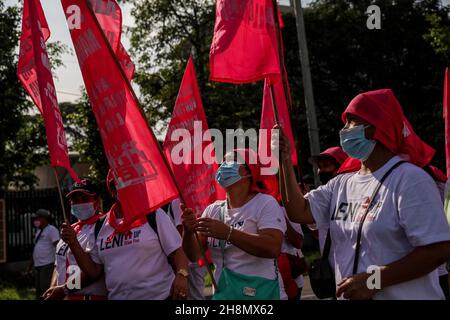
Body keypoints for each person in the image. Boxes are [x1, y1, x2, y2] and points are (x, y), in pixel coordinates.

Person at [275, 89, 450, 299]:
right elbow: (298, 211)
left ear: (377, 127)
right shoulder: (342, 183)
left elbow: (438, 249)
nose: (344, 130)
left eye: (352, 122)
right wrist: (284, 161)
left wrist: (373, 280)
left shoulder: (410, 179)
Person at [60, 170, 189, 300]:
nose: (124, 189)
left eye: (129, 184)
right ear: (112, 191)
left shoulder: (153, 215)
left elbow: (178, 250)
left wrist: (182, 274)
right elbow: (94, 271)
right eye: (117, 185)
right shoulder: (100, 226)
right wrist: (73, 243)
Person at [182, 148, 287, 300]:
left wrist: (229, 233)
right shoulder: (212, 210)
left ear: (249, 171)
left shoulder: (265, 203)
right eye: (224, 161)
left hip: (263, 295)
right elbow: (194, 255)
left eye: (232, 161)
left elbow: (273, 247)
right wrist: (188, 231)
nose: (224, 165)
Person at [42, 179, 107, 300]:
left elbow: (95, 271)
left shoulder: (104, 227)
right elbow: (59, 265)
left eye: (85, 199)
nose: (80, 203)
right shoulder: (70, 229)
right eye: (75, 200)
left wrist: (64, 289)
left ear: (97, 201)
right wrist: (53, 290)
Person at [165, 198, 206, 300]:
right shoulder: (177, 201)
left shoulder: (180, 200)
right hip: (187, 260)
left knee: (195, 296)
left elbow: (182, 232)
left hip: (191, 260)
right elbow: (181, 232)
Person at [28, 209, 60, 299]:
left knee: (45, 289)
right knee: (38, 291)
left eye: (38, 218)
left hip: (47, 264)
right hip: (38, 265)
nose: (36, 220)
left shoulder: (51, 230)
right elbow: (36, 248)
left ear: (44, 219)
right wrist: (30, 265)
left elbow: (57, 246)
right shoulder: (39, 231)